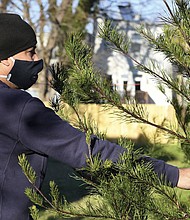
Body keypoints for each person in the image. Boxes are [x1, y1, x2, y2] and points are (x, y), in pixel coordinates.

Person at [0, 13, 189, 220]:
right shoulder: (16, 107)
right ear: (5, 61)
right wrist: (176, 175)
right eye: (30, 52)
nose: (37, 59)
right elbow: (89, 152)